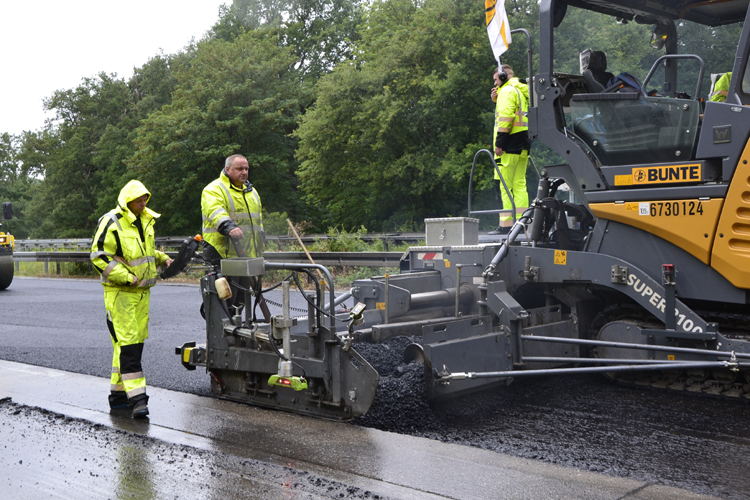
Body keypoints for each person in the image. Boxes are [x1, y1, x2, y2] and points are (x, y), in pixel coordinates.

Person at [90, 180, 173, 419]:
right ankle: (138, 400)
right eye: (139, 199)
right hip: (121, 294)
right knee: (130, 347)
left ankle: (118, 398)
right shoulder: (112, 221)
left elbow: (144, 253)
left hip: (142, 294)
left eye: (145, 198)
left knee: (125, 346)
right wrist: (127, 278)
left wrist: (162, 258)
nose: (144, 202)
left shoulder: (144, 220)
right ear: (128, 200)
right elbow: (99, 257)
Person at [201, 154, 265, 315]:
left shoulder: (252, 192)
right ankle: (220, 338)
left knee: (240, 302)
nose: (244, 172)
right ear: (228, 169)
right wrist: (228, 226)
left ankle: (235, 336)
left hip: (246, 255)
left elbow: (257, 222)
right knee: (224, 302)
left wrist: (261, 243)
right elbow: (215, 211)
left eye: (246, 169)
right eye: (239, 169)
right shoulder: (214, 189)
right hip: (222, 254)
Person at [490, 64, 531, 234]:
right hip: (523, 143)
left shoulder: (506, 92)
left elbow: (506, 118)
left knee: (505, 186)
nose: (494, 83)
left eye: (495, 79)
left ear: (503, 76)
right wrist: (495, 100)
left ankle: (506, 226)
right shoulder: (521, 91)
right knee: (520, 185)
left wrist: (500, 143)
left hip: (509, 145)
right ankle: (522, 225)